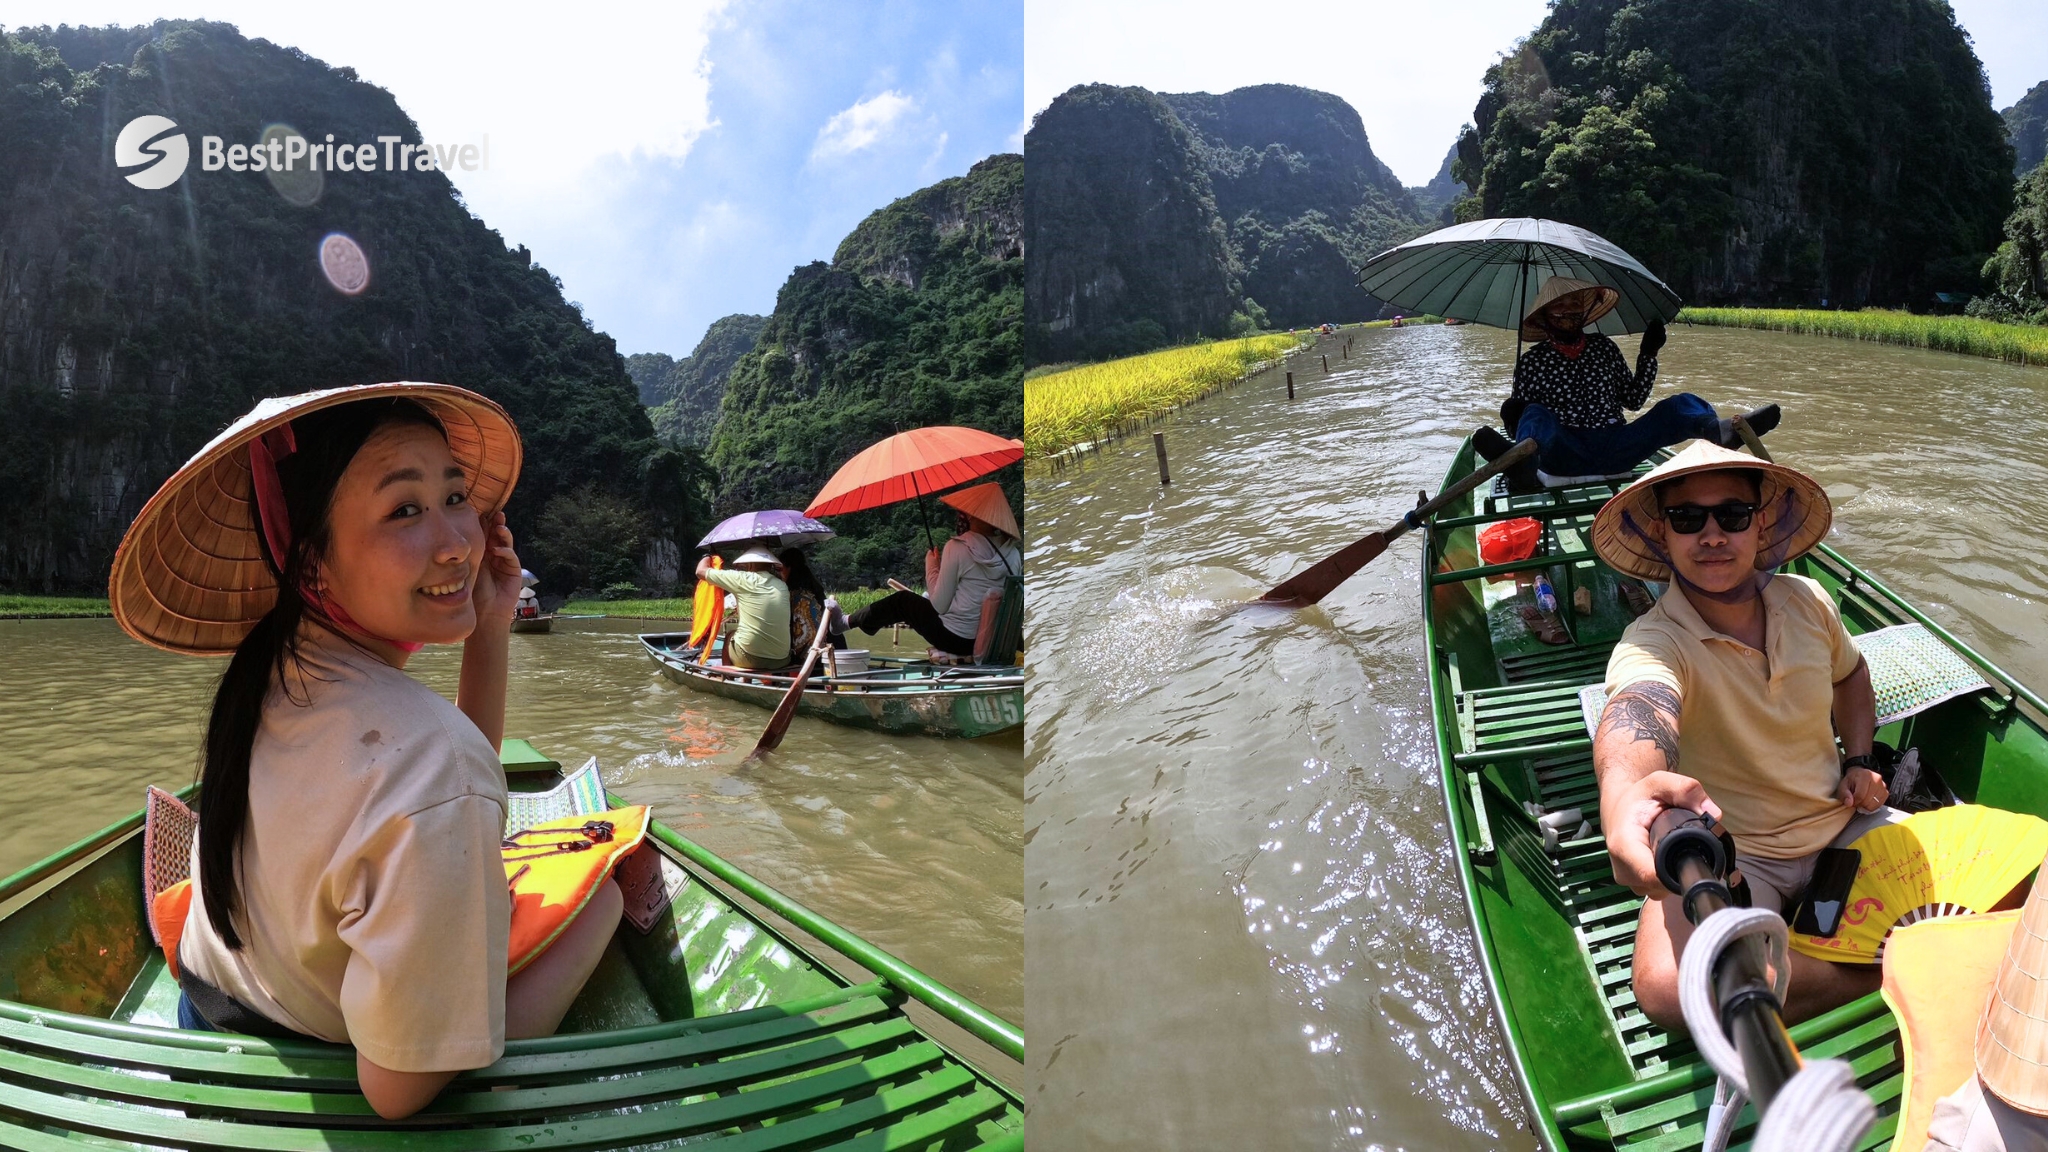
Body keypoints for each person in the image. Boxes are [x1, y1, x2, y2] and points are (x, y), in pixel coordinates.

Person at [107, 384, 622, 1120]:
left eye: (454, 496)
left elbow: (446, 785)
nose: (458, 542)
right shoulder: (429, 758)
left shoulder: (271, 672)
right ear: (314, 563)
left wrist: (490, 627)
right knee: (602, 893)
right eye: (404, 510)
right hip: (311, 1073)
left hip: (215, 1001)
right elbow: (396, 1090)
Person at [1588, 440, 1896, 1031]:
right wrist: (1626, 796)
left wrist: (1859, 758)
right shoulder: (1652, 642)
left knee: (2024, 881)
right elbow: (1638, 710)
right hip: (1740, 854)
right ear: (1663, 533)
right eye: (1687, 518)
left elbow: (1852, 673)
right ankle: (1883, 972)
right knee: (1672, 988)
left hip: (1844, 820)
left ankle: (1803, 971)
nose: (1711, 535)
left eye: (1732, 515)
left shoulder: (1809, 601)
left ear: (1762, 524)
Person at [1471, 277, 1780, 485]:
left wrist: (1648, 354)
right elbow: (1521, 423)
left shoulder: (1604, 348)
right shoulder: (1532, 361)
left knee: (1679, 404)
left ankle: (1719, 433)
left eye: (1574, 307)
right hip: (1561, 453)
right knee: (1534, 414)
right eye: (1559, 309)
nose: (1568, 313)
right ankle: (1521, 463)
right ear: (1544, 317)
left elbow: (1632, 400)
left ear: (1585, 312)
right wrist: (1514, 415)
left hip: (1616, 446)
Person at [832, 483, 1020, 658]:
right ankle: (849, 621)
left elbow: (940, 605)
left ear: (970, 514)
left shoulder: (958, 547)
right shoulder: (1012, 553)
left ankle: (845, 622)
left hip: (958, 640)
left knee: (903, 601)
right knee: (921, 600)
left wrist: (931, 566)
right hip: (995, 641)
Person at [694, 545, 791, 669]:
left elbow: (700, 571)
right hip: (782, 659)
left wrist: (708, 555)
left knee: (730, 636)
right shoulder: (782, 586)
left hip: (751, 659)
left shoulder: (743, 579)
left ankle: (727, 678)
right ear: (770, 564)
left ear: (750, 565)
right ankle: (760, 681)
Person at [778, 546, 831, 653]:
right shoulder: (814, 588)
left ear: (790, 568)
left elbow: (803, 638)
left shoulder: (797, 597)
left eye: (780, 569)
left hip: (817, 655)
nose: (780, 574)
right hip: (832, 646)